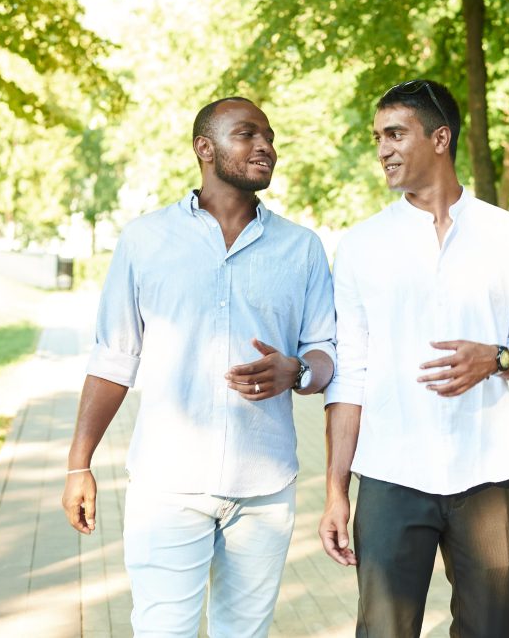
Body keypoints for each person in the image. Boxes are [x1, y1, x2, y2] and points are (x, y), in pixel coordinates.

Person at [61, 97, 336, 638]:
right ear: (204, 148)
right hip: (168, 483)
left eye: (271, 137)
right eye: (248, 134)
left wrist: (297, 371)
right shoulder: (145, 239)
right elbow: (114, 357)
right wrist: (79, 464)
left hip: (264, 485)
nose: (266, 147)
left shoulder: (302, 248)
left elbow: (327, 355)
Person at [318, 80, 509, 637]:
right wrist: (336, 492)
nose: (382, 149)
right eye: (377, 137)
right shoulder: (360, 246)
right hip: (390, 475)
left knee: (491, 630)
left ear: (441, 137)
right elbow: (349, 376)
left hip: (486, 474)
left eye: (395, 134)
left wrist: (496, 358)